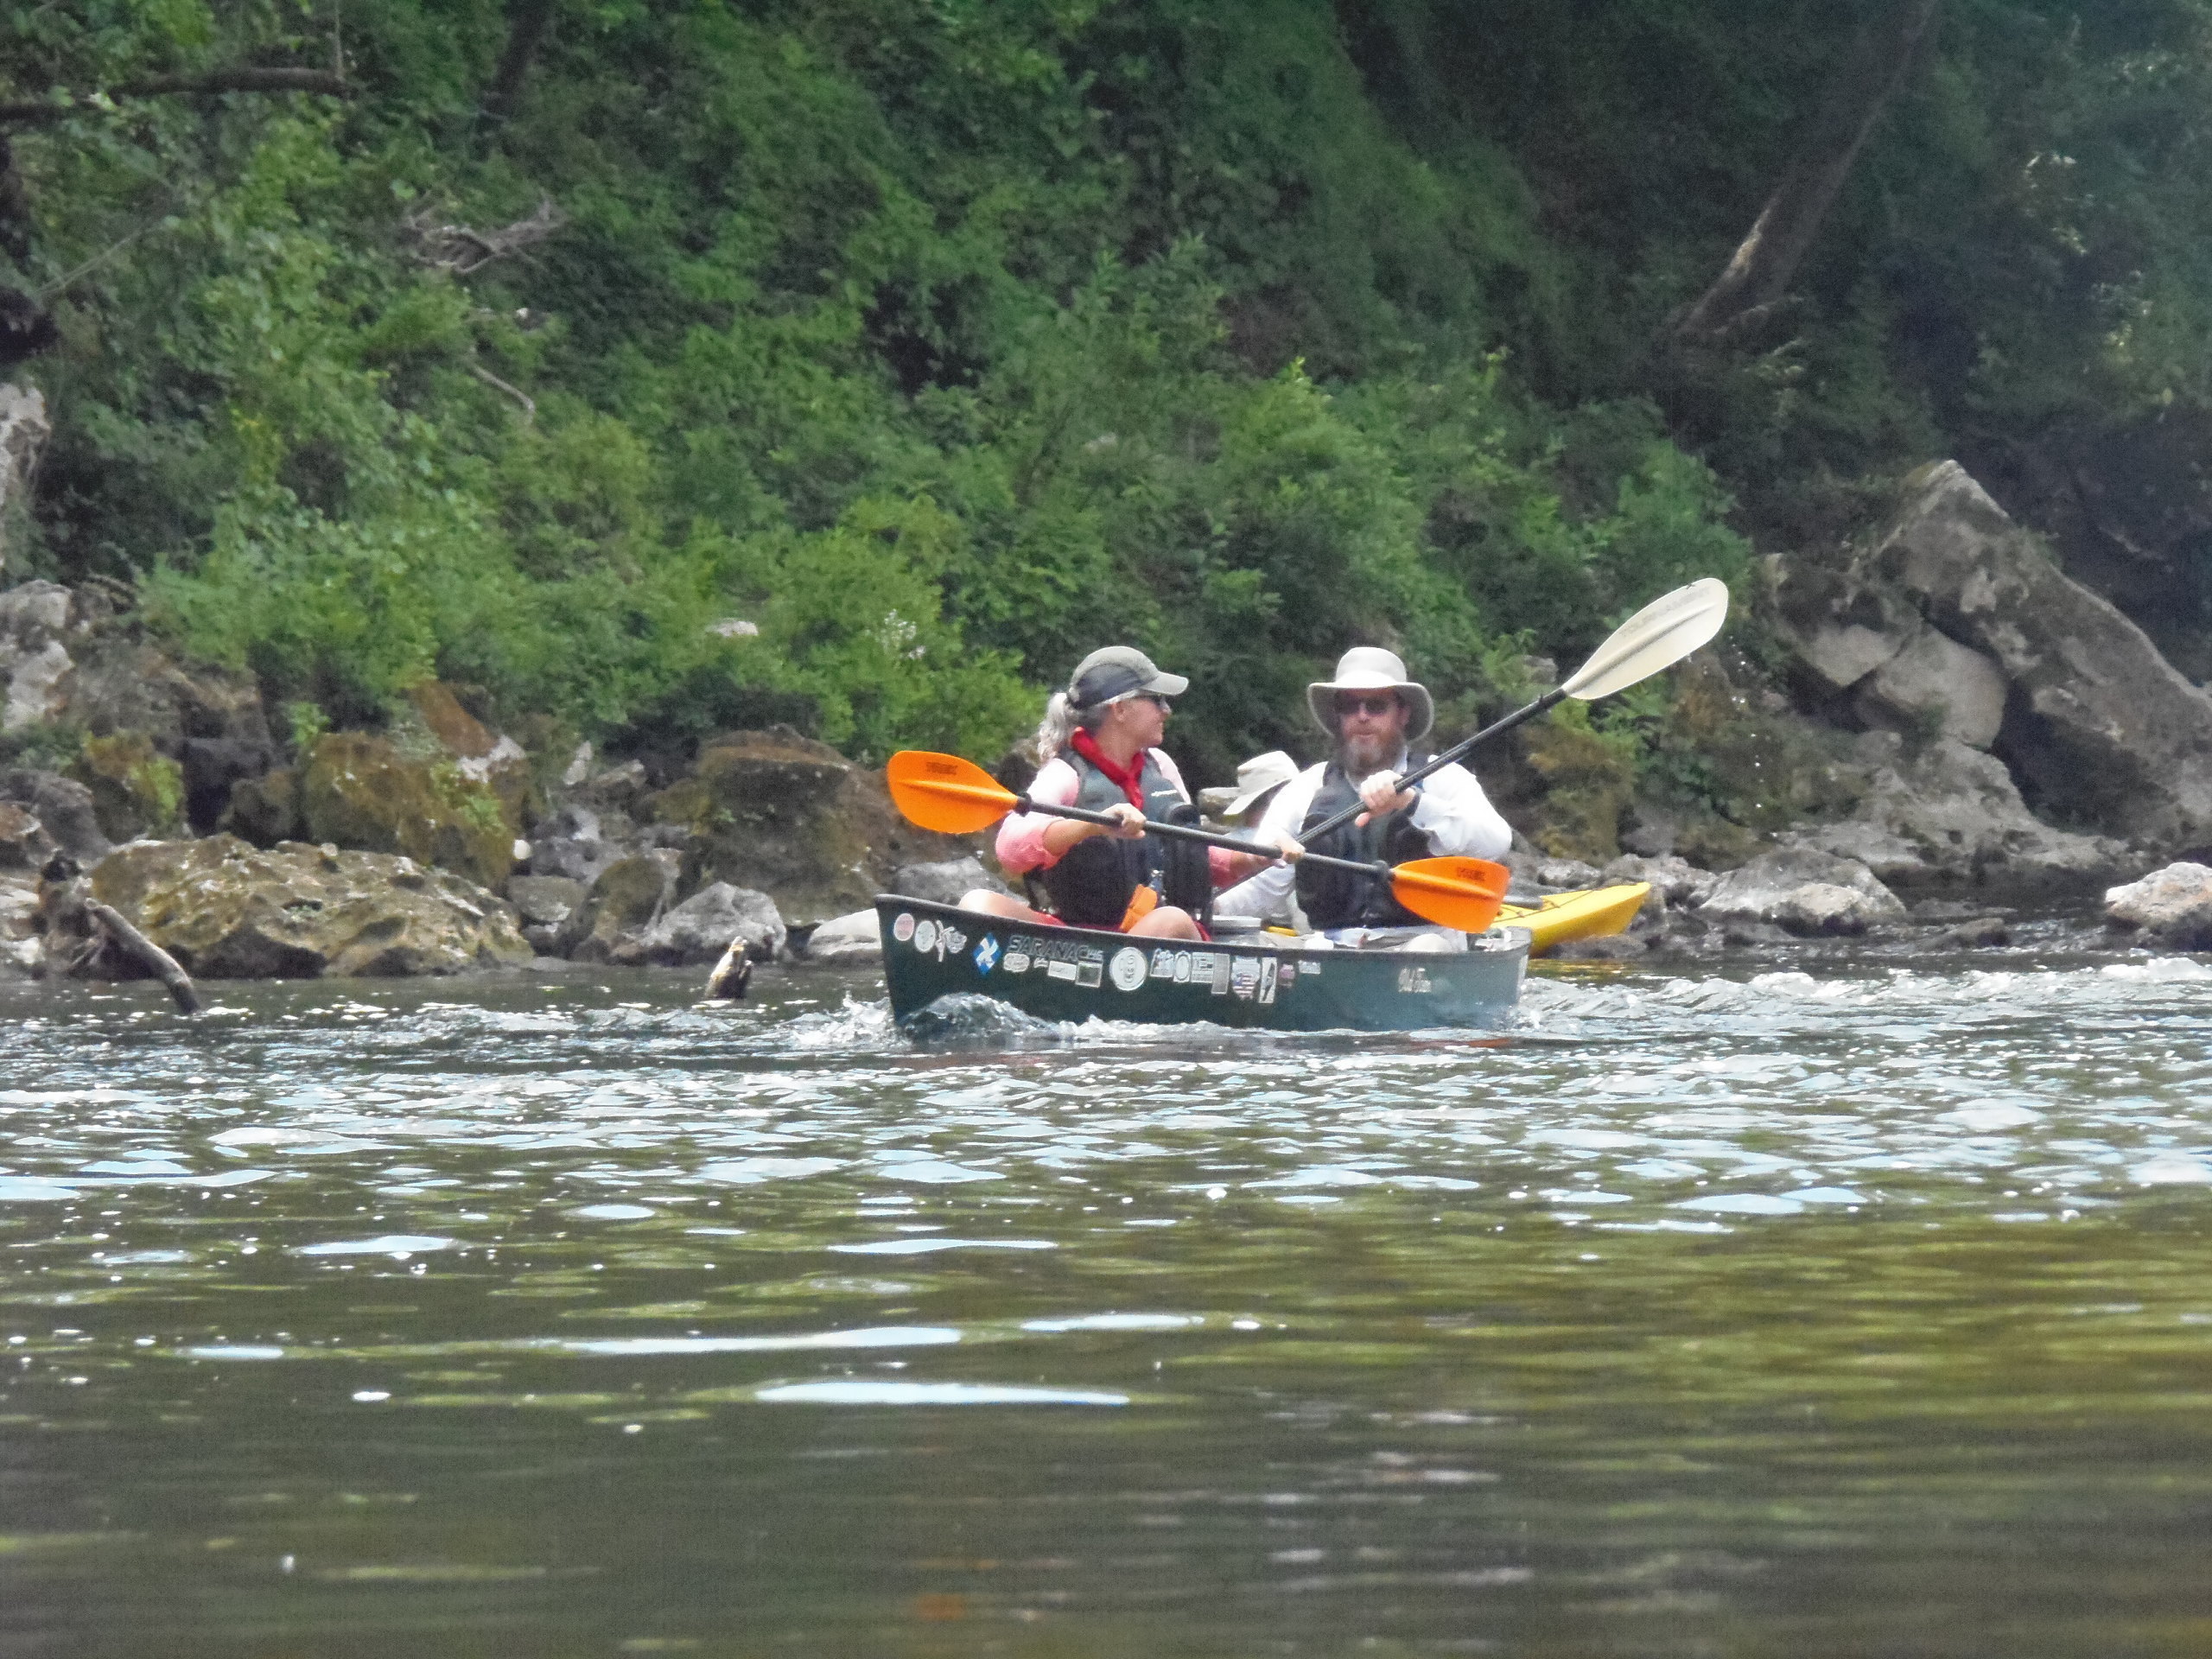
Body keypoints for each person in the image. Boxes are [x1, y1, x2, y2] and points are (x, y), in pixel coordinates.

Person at [960, 647, 1292, 939]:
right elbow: (1010, 850)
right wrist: (1091, 826)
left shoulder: (1161, 767)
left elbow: (1197, 857)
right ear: (1120, 709)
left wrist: (1255, 855)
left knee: (1170, 920)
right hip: (1079, 936)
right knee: (979, 904)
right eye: (1156, 699)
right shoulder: (1064, 775)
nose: (1167, 711)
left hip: (1163, 935)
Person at [1230, 646, 1512, 950]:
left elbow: (1497, 843)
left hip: (1420, 941)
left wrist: (1412, 802)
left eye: (1376, 706)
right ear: (1338, 716)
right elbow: (1263, 890)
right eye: (1350, 707)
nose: (1362, 717)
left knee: (1425, 948)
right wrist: (1207, 911)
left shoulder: (1443, 777)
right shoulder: (1306, 788)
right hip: (1328, 948)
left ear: (1402, 714)